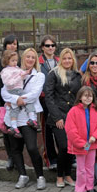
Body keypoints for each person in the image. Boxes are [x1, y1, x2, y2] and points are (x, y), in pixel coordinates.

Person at [1, 48, 47, 190]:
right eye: (28, 56)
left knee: (32, 147)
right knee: (15, 148)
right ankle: (23, 175)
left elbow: (34, 94)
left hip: (28, 117)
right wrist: (16, 99)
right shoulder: (13, 71)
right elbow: (4, 91)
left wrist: (18, 99)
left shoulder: (39, 76)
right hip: (13, 116)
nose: (30, 59)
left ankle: (40, 176)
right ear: (23, 58)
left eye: (33, 57)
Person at [44, 48, 81, 188]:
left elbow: (79, 96)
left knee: (71, 147)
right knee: (63, 146)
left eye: (69, 58)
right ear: (60, 60)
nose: (67, 61)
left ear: (73, 60)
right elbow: (49, 97)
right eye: (64, 58)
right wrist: (57, 117)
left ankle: (67, 176)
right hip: (58, 116)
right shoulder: (53, 74)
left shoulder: (78, 75)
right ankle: (59, 176)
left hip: (73, 117)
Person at [65, 86, 97, 192]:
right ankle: (81, 189)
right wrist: (81, 143)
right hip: (81, 146)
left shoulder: (96, 110)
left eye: (90, 96)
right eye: (85, 96)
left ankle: (90, 187)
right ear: (80, 97)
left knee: (90, 167)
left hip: (92, 144)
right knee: (81, 169)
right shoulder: (73, 111)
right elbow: (70, 129)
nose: (88, 98)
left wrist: (95, 137)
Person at [0, 34, 19, 171]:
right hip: (6, 102)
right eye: (10, 44)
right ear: (5, 46)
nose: (13, 46)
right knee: (7, 130)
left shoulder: (19, 63)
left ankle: (17, 156)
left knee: (20, 130)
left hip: (20, 101)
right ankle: (11, 156)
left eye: (15, 44)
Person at [0, 50, 38, 137]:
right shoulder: (6, 71)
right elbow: (8, 83)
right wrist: (20, 77)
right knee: (27, 101)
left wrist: (25, 73)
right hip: (15, 90)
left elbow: (21, 74)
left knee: (15, 108)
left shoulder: (16, 68)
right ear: (7, 61)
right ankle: (31, 118)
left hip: (17, 90)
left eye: (16, 60)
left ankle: (14, 126)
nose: (15, 62)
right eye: (12, 60)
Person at [38, 35, 59, 170]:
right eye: (47, 46)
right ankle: (50, 158)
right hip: (44, 99)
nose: (50, 48)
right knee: (47, 130)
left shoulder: (60, 61)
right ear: (42, 48)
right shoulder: (38, 62)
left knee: (61, 130)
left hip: (59, 99)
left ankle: (65, 157)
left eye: (52, 45)